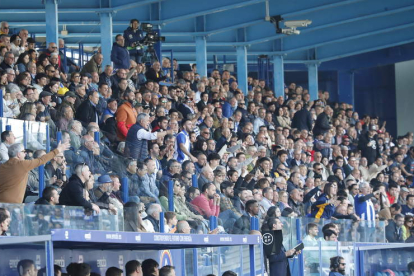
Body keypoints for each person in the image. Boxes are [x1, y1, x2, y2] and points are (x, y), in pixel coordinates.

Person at [0, 141, 69, 203]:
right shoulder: (21, 164)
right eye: (24, 152)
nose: (25, 154)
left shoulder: (2, 166)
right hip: (12, 205)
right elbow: (41, 160)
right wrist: (58, 150)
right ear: (18, 154)